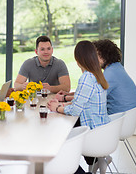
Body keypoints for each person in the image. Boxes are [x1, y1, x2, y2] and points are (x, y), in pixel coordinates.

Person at [47, 40, 110, 174]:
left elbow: (76, 110)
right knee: (64, 132)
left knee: (58, 140)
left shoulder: (87, 78)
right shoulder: (97, 74)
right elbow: (83, 102)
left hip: (93, 134)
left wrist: (57, 108)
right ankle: (95, 161)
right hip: (102, 131)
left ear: (78, 60)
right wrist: (62, 105)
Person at [92, 39, 136, 115]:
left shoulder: (111, 73)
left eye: (96, 55)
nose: (94, 59)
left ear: (105, 55)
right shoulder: (116, 68)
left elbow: (92, 97)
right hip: (127, 117)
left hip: (117, 120)